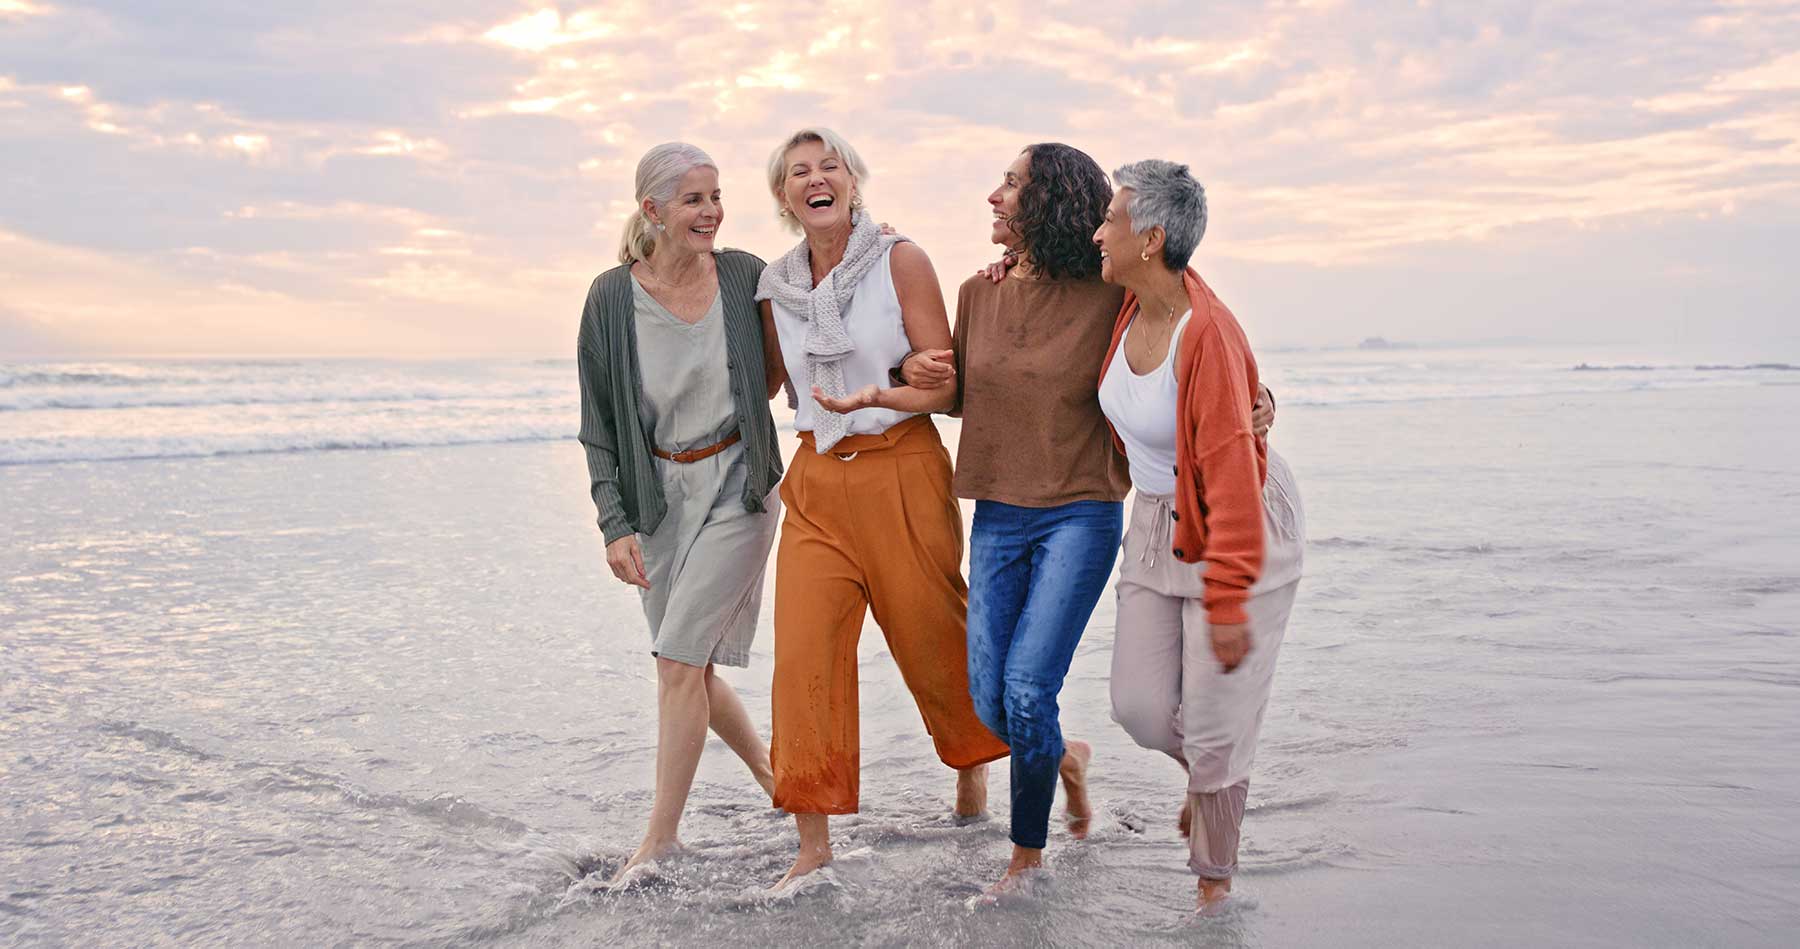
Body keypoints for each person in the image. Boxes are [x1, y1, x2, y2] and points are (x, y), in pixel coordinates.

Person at [756, 127, 1010, 889]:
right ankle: (813, 842)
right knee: (802, 657)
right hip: (815, 480)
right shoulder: (774, 286)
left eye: (829, 164)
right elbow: (770, 385)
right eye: (799, 171)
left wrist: (915, 369)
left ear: (854, 180)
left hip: (901, 466)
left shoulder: (902, 259)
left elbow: (944, 385)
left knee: (934, 643)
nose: (816, 178)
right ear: (783, 197)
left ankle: (988, 762)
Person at [1091, 160, 1306, 912]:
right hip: (1155, 522)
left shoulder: (1207, 336)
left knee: (1213, 726)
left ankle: (1213, 892)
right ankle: (1215, 774)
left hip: (1234, 521)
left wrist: (1226, 603)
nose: (1097, 233)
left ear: (1150, 238)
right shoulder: (1126, 300)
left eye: (1110, 220)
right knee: (1139, 707)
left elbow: (1231, 482)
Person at [574, 142, 788, 886]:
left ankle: (660, 837)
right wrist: (614, 523)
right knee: (686, 663)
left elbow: (782, 363)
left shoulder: (743, 274)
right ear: (653, 210)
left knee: (678, 661)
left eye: (717, 196)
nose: (712, 212)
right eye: (694, 199)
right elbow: (599, 423)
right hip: (656, 498)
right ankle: (774, 779)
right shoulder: (608, 298)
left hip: (740, 485)